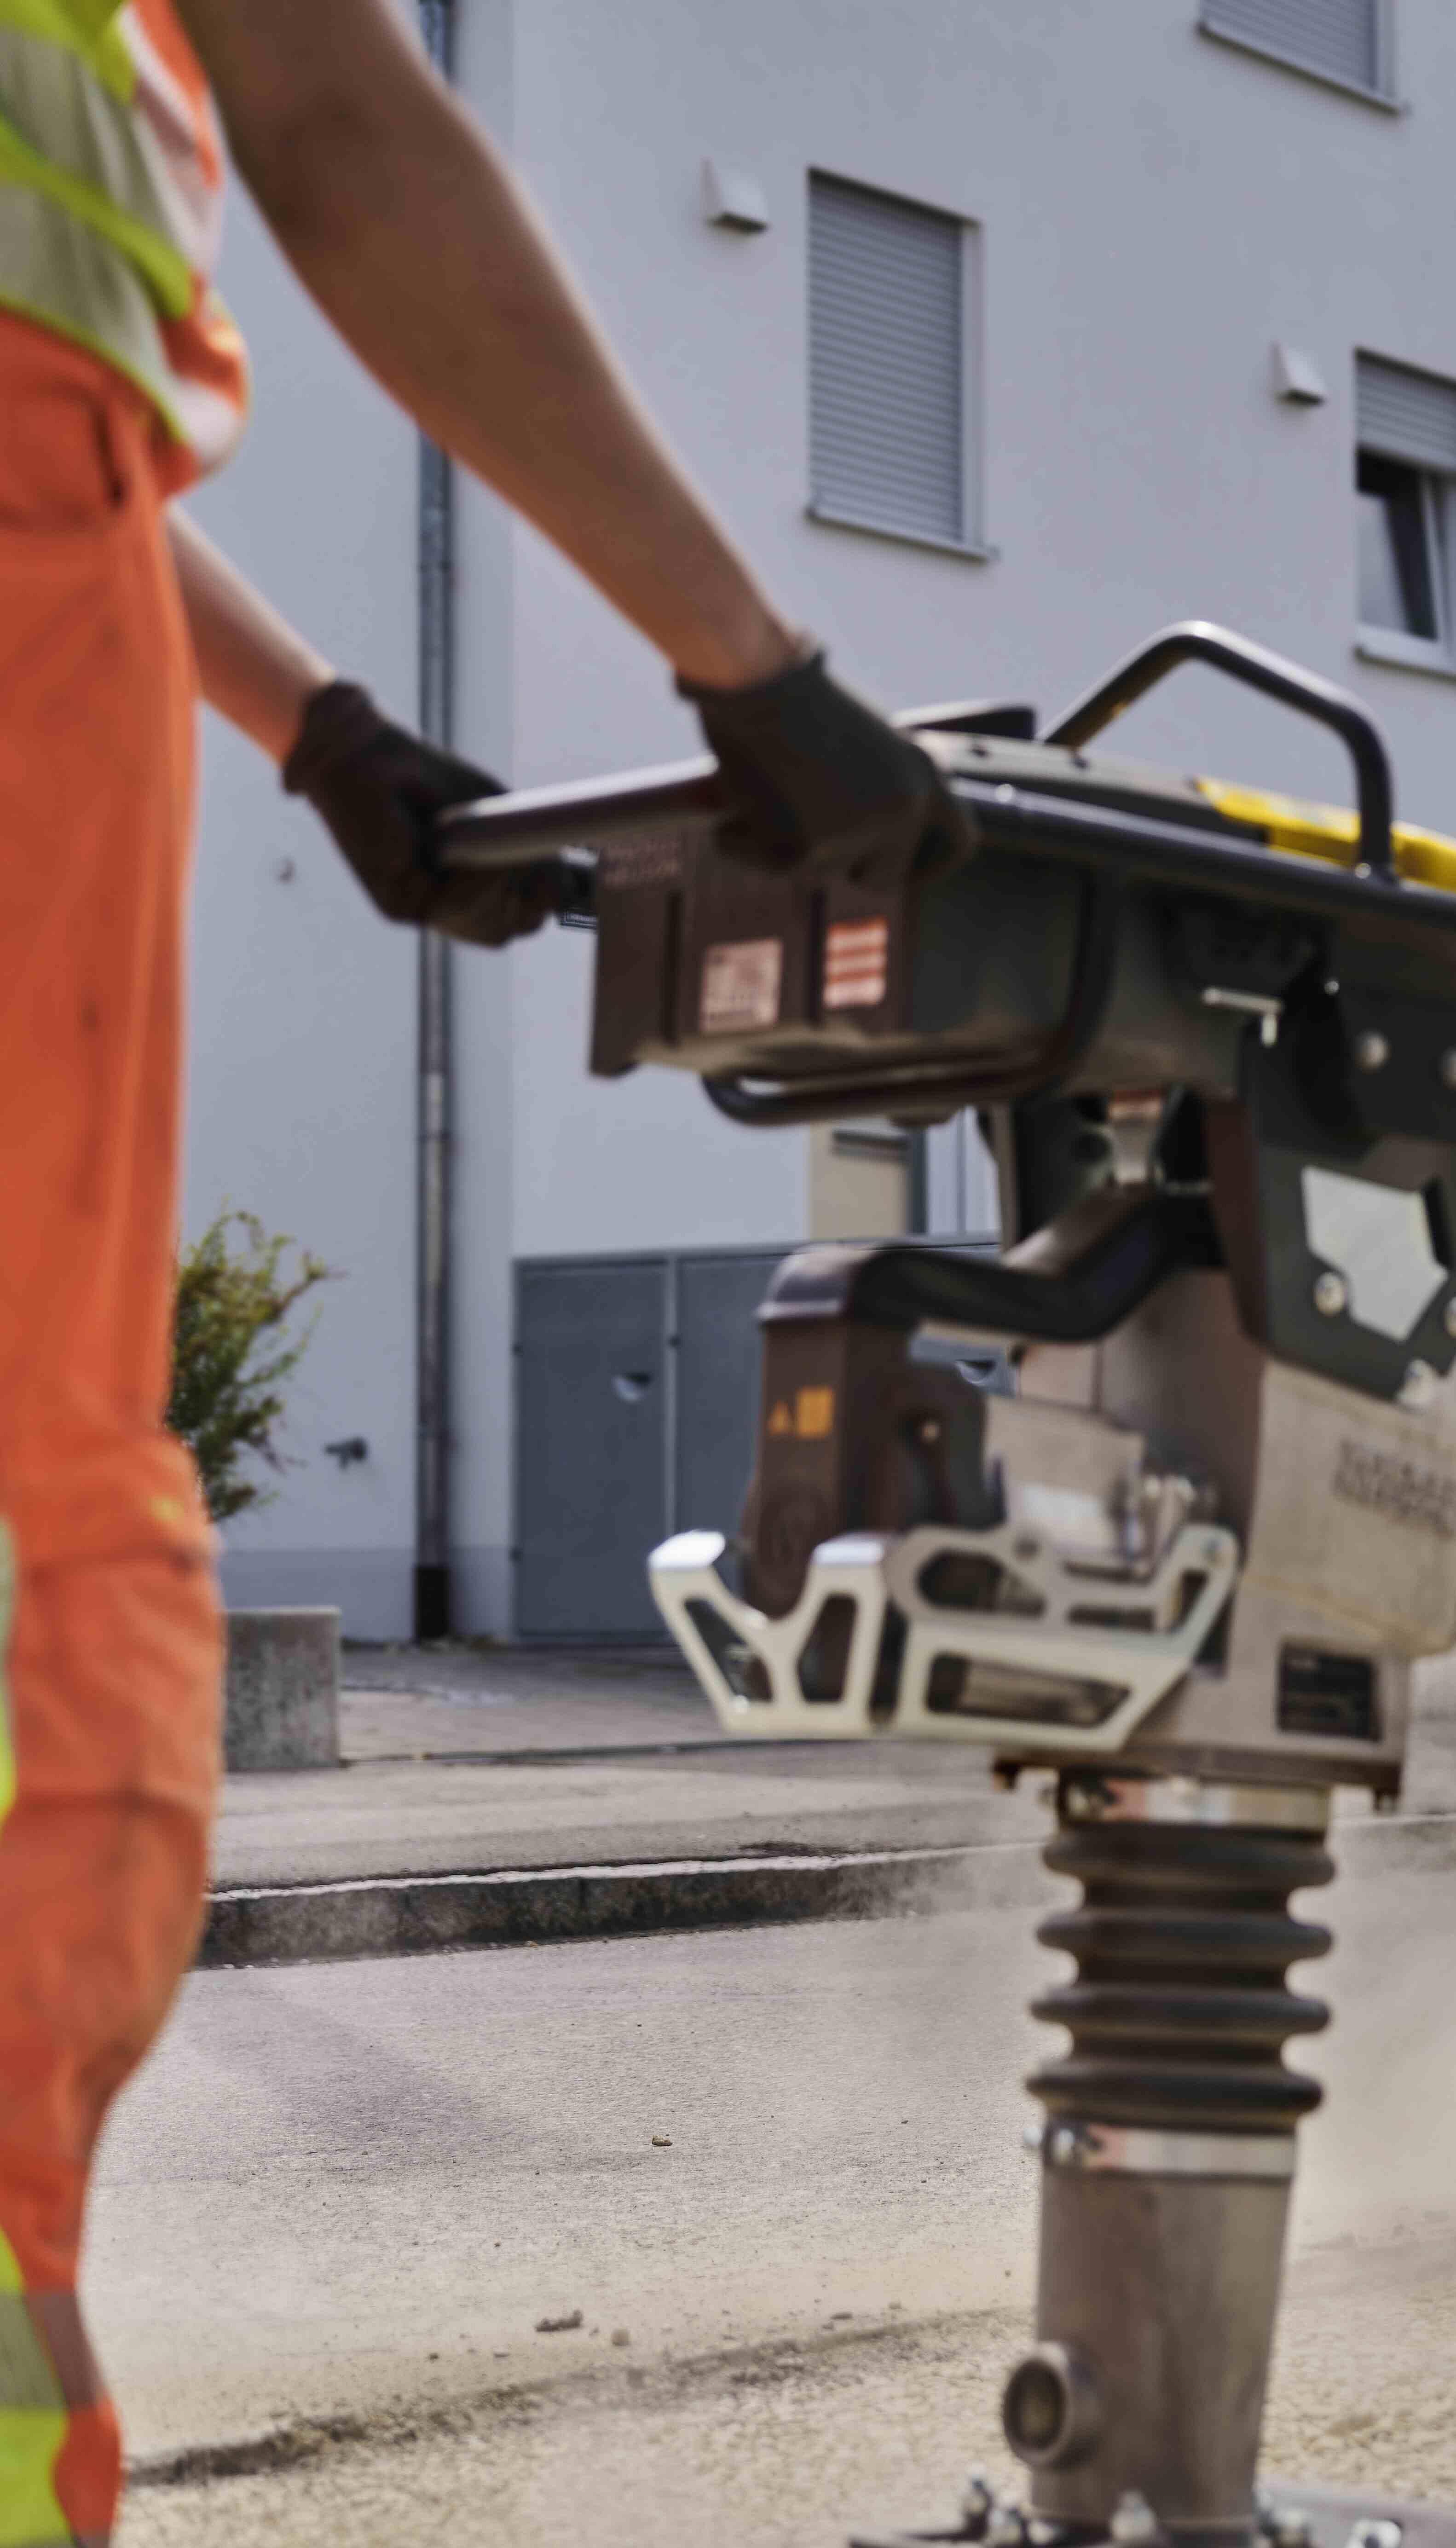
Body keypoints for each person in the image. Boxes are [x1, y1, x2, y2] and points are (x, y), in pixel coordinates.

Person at [1, 4, 950, 2533]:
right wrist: (754, 665)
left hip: (67, 573)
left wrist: (314, 729)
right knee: (36, 1599)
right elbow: (326, 104)